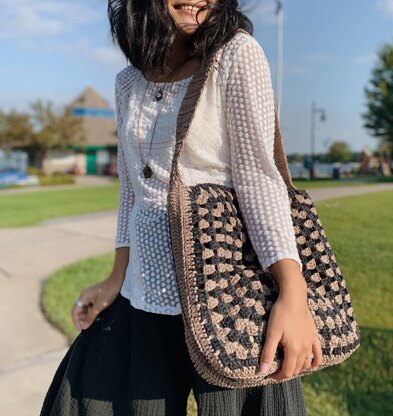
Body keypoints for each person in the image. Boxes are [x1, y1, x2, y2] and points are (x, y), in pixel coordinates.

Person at [40, 1, 322, 415]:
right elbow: (132, 191)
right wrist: (116, 277)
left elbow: (260, 177)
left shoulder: (236, 54)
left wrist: (293, 294)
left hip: (229, 300)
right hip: (143, 300)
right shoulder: (127, 83)